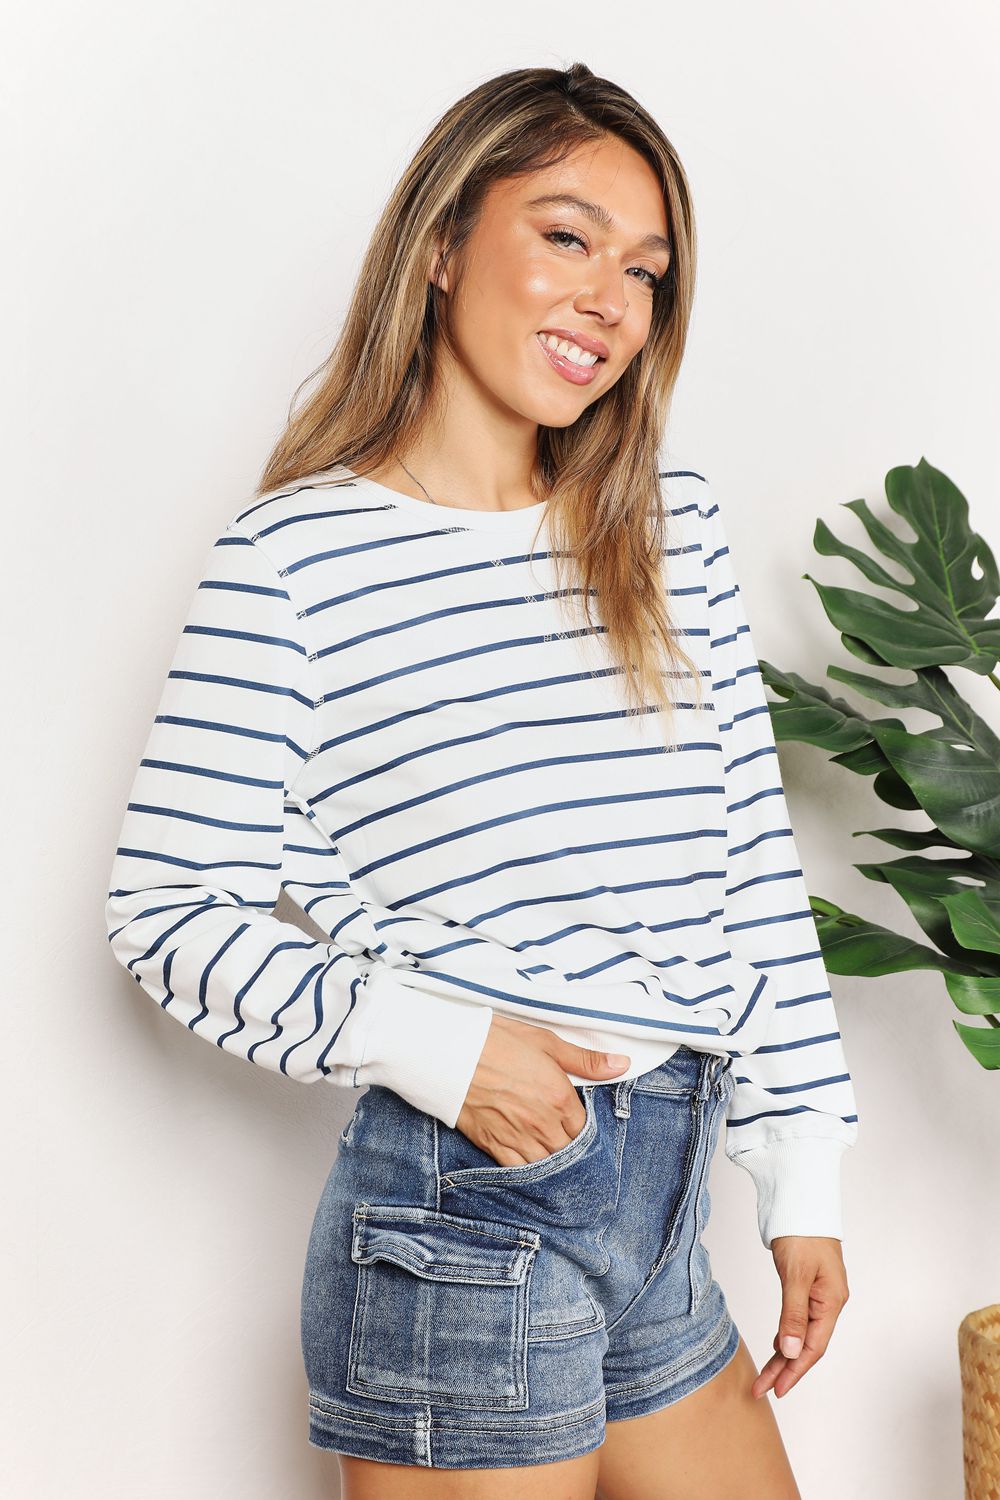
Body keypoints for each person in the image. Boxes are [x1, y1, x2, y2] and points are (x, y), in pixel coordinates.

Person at [104, 61, 858, 1499]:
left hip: (669, 1204)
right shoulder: (294, 563)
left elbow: (751, 869)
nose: (610, 301)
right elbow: (167, 909)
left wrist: (798, 1174)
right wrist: (442, 1051)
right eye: (567, 237)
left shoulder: (664, 527)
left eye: (646, 269)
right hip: (465, 1215)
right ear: (443, 244)